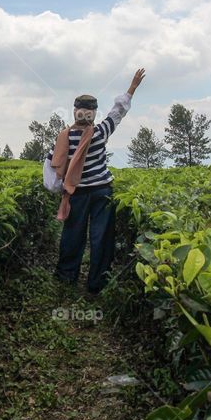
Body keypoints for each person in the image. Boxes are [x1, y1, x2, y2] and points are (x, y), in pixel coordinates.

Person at [44, 68, 146, 293]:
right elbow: (117, 112)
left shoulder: (64, 137)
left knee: (73, 235)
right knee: (102, 237)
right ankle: (97, 282)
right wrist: (132, 88)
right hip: (102, 191)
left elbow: (51, 167)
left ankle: (66, 277)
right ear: (93, 114)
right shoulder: (101, 132)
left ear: (75, 112)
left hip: (77, 193)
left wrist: (62, 188)